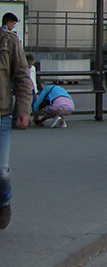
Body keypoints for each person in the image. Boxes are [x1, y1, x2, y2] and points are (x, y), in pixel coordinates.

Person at [1, 12, 34, 230]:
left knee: (1, 171)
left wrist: (23, 109)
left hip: (1, 114)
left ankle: (3, 202)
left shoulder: (8, 41)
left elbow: (23, 77)